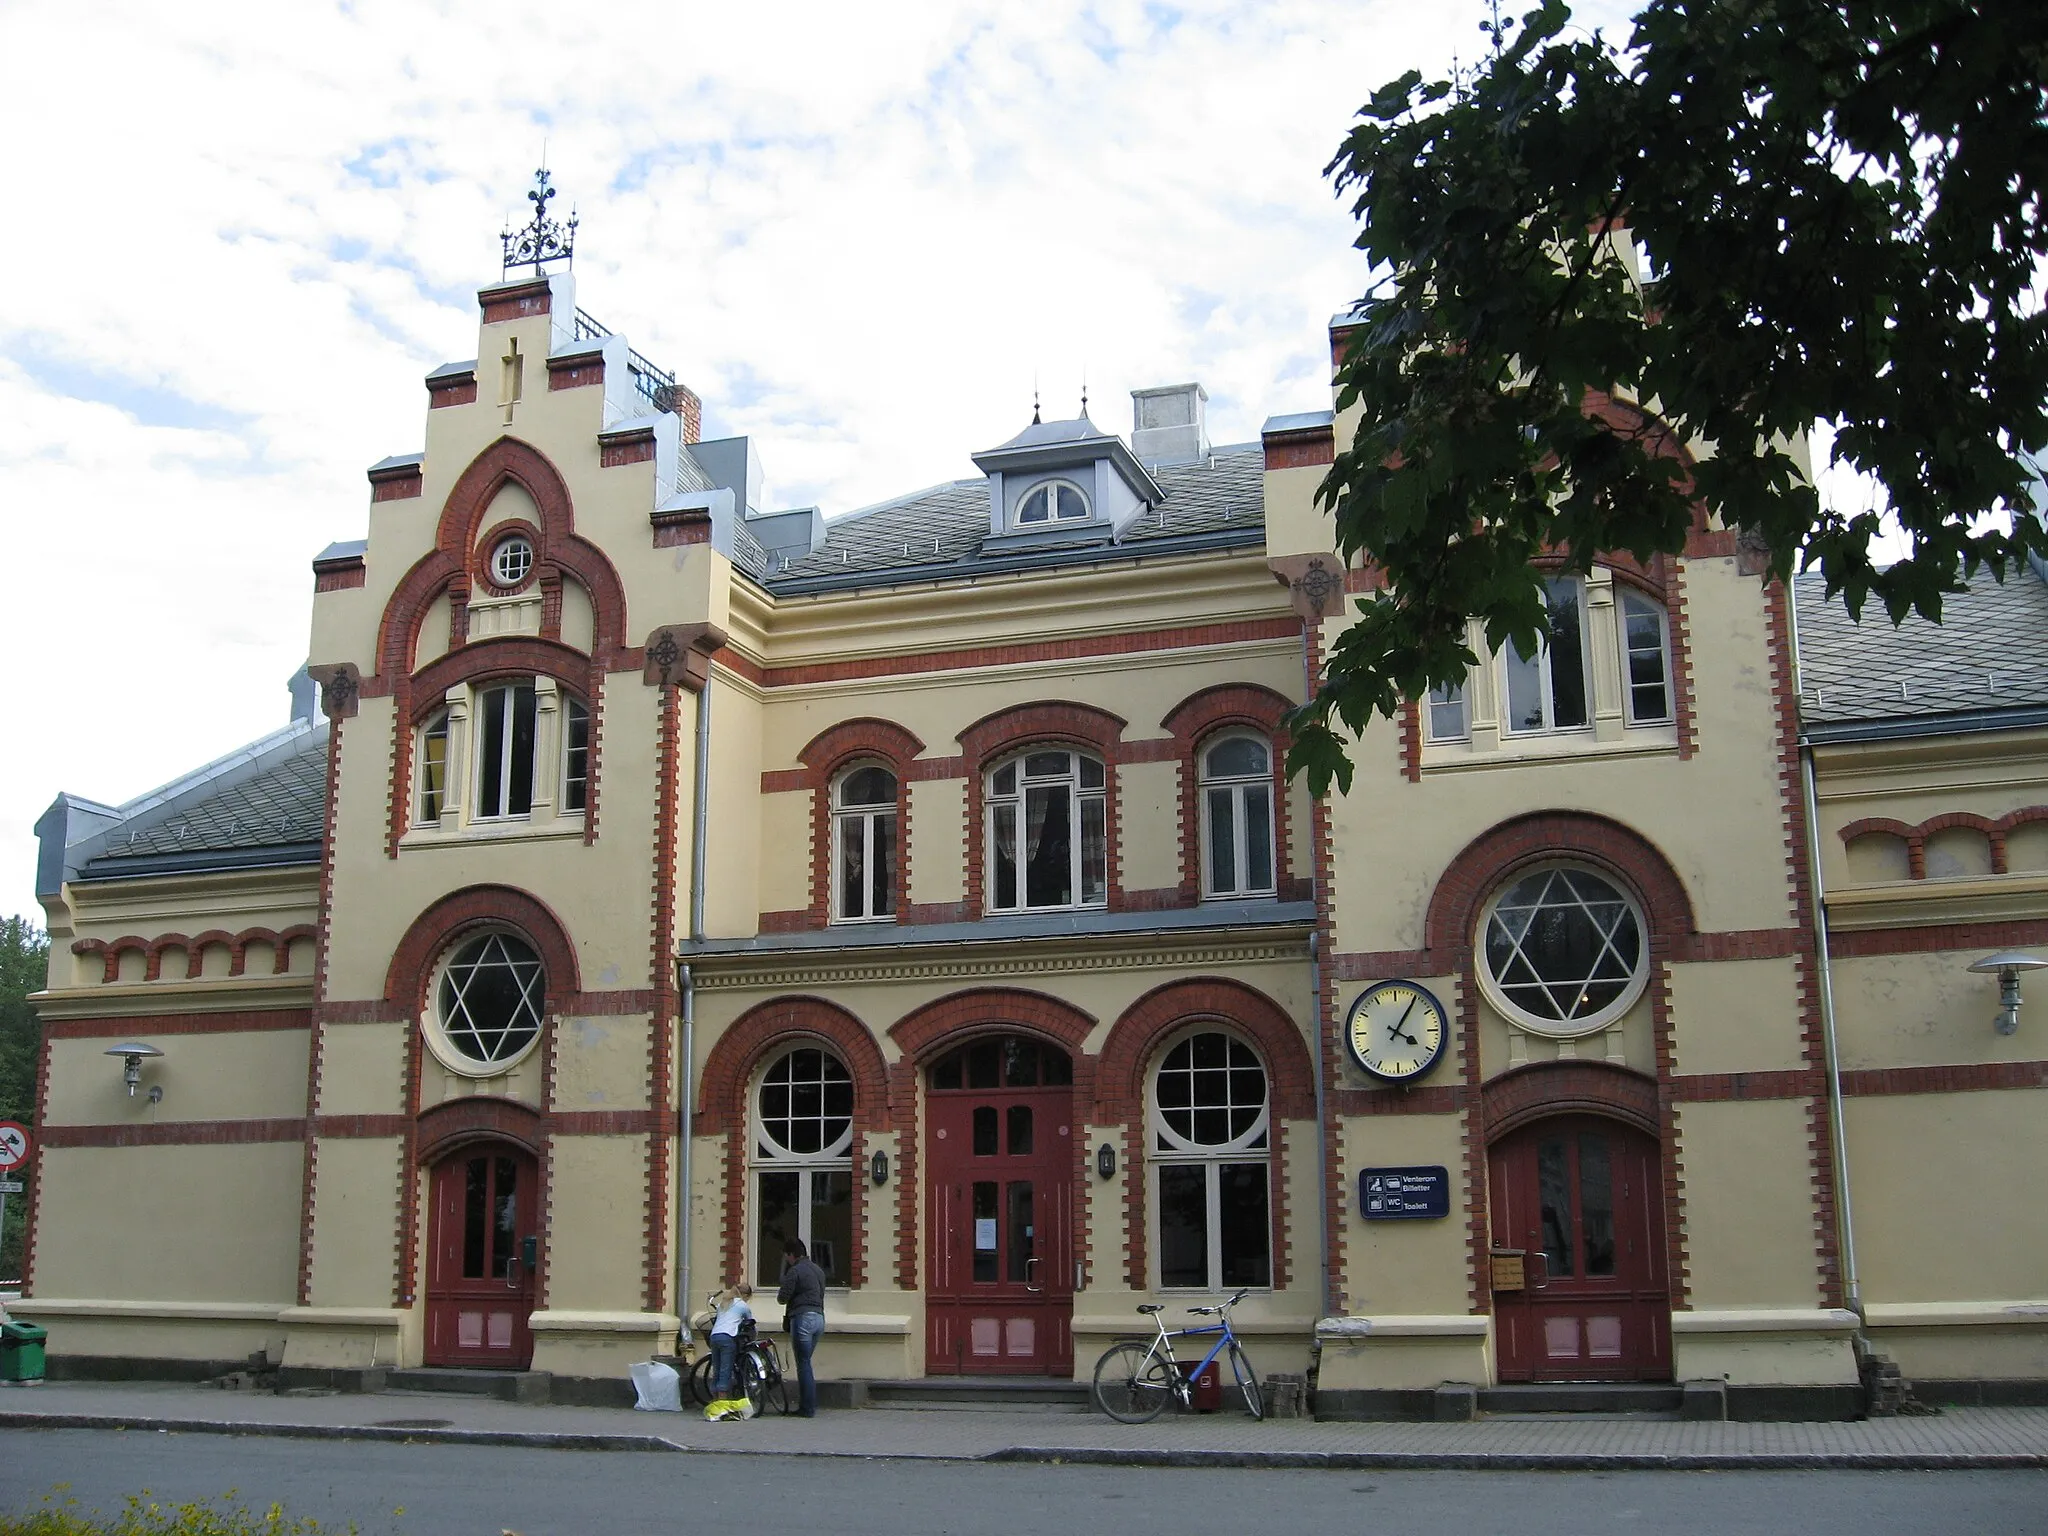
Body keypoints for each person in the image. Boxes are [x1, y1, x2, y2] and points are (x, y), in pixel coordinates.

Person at [776, 1238, 827, 1417]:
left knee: (803, 1364)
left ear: (791, 1255)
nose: (787, 1260)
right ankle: (809, 1405)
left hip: (802, 1318)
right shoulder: (818, 1270)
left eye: (787, 1257)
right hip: (819, 1319)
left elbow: (782, 1297)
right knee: (806, 1362)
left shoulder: (795, 1271)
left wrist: (785, 1275)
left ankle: (807, 1408)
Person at [703, 1282, 754, 1422]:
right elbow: (750, 1323)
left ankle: (714, 1400)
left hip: (714, 1337)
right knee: (726, 1369)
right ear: (746, 1295)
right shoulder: (742, 1305)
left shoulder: (723, 1303)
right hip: (727, 1338)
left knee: (717, 1368)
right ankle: (722, 1402)